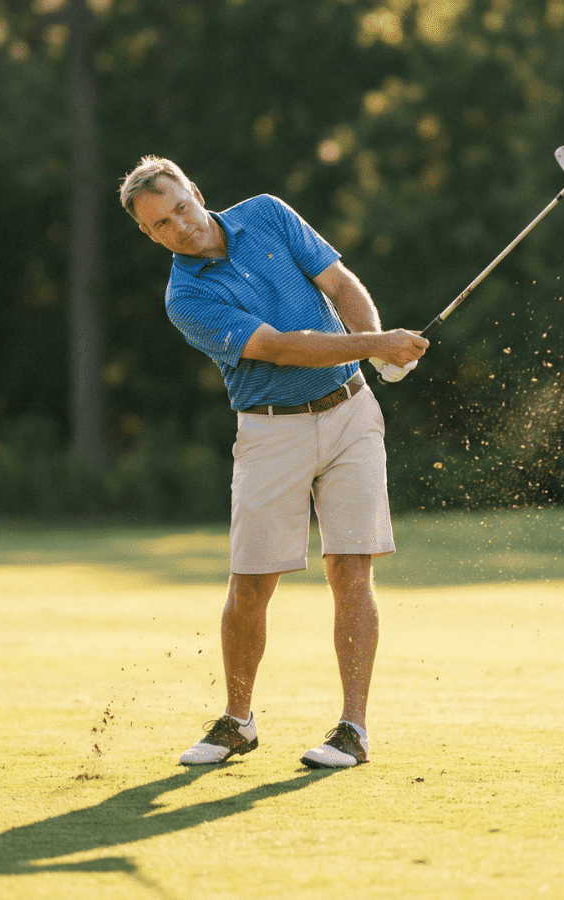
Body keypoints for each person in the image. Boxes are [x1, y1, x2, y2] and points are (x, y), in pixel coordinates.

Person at [118, 156, 428, 768]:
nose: (181, 225)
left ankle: (353, 730)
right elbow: (281, 350)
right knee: (252, 583)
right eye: (162, 225)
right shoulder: (187, 297)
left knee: (350, 569)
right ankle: (238, 721)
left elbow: (339, 284)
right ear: (149, 236)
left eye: (182, 207)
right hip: (270, 432)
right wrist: (377, 345)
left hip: (351, 415)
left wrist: (380, 352)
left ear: (197, 191)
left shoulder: (266, 214)